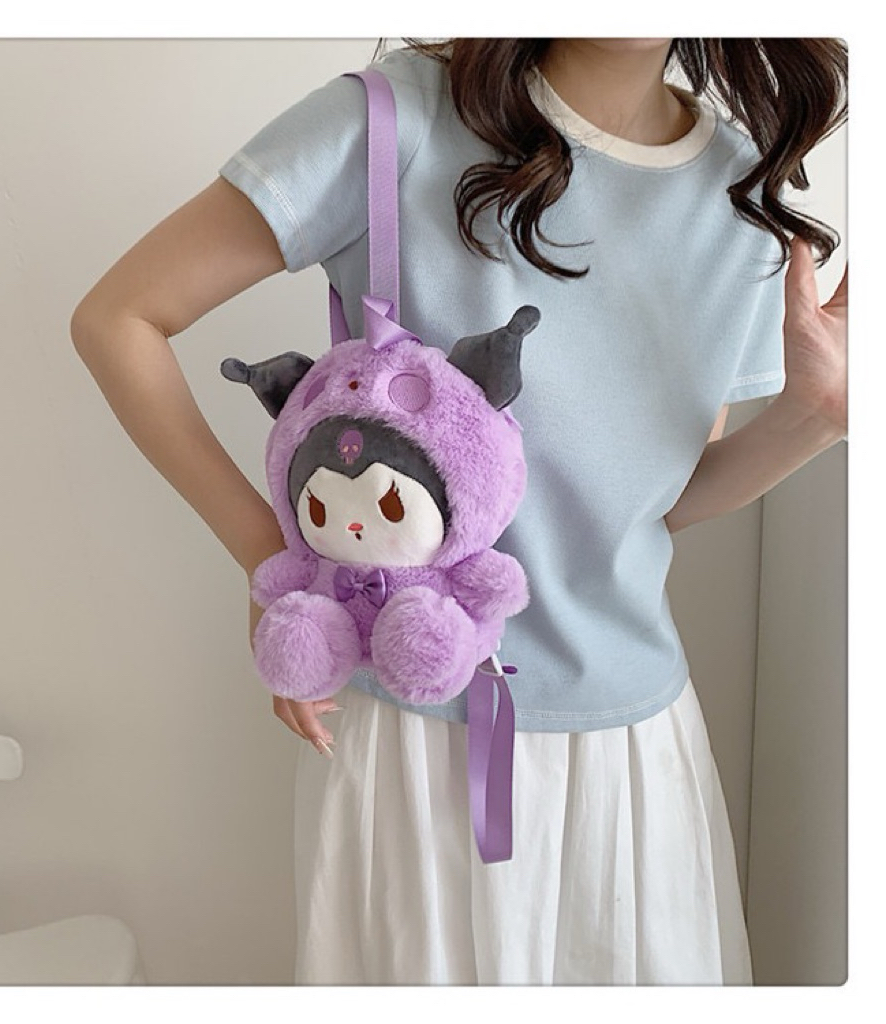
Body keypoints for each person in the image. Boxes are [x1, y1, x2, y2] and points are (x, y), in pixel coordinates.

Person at [70, 38, 847, 985]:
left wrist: (817, 416)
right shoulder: (388, 123)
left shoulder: (743, 191)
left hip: (634, 749)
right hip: (416, 735)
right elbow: (119, 318)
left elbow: (652, 504)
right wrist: (272, 559)